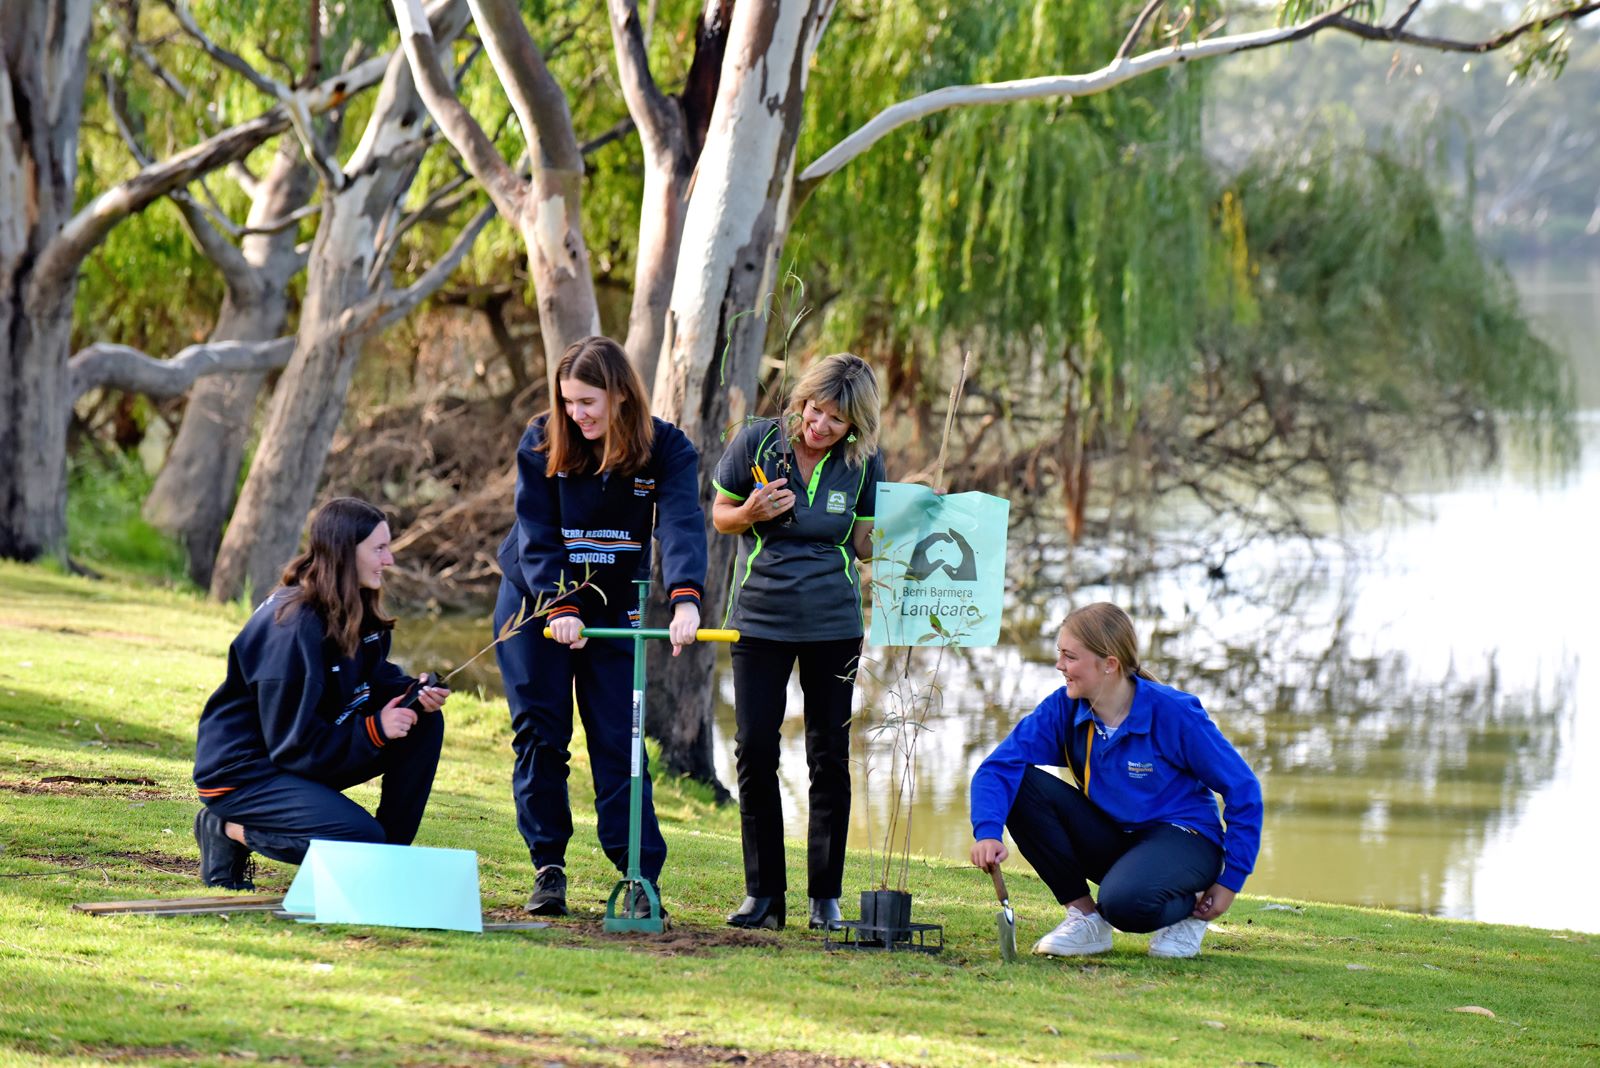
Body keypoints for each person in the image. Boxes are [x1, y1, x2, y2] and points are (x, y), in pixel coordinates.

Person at [495, 335, 707, 918]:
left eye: (587, 401)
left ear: (619, 395)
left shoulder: (666, 448)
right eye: (567, 401)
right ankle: (548, 868)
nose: (575, 414)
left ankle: (639, 876)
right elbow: (535, 532)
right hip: (536, 604)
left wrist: (685, 601)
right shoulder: (544, 439)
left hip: (613, 607)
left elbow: (683, 525)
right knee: (541, 734)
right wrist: (560, 606)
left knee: (620, 739)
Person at [968, 602, 1262, 959]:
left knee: (1124, 906)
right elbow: (998, 767)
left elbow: (1243, 789)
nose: (1059, 666)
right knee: (1020, 785)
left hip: (1184, 839)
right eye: (1060, 654)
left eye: (1069, 656)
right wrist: (987, 831)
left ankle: (1190, 909)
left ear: (1109, 664)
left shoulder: (1174, 712)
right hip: (1116, 837)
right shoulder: (1064, 708)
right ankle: (1085, 918)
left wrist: (1230, 880)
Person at [192, 497, 450, 889]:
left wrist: (412, 691)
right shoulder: (293, 627)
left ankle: (387, 865)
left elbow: (372, 675)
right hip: (246, 774)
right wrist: (375, 730)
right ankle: (227, 828)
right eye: (379, 549)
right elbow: (293, 745)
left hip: (299, 757)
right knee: (361, 840)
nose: (390, 560)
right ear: (346, 552)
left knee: (425, 721)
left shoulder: (356, 608)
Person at [711, 353, 886, 931]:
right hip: (759, 621)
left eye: (837, 421)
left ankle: (825, 896)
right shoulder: (759, 443)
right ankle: (762, 895)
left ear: (855, 426)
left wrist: (913, 510)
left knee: (828, 756)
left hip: (834, 625)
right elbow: (719, 514)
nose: (821, 426)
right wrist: (751, 511)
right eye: (816, 411)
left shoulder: (863, 463)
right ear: (803, 401)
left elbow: (862, 545)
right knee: (755, 748)